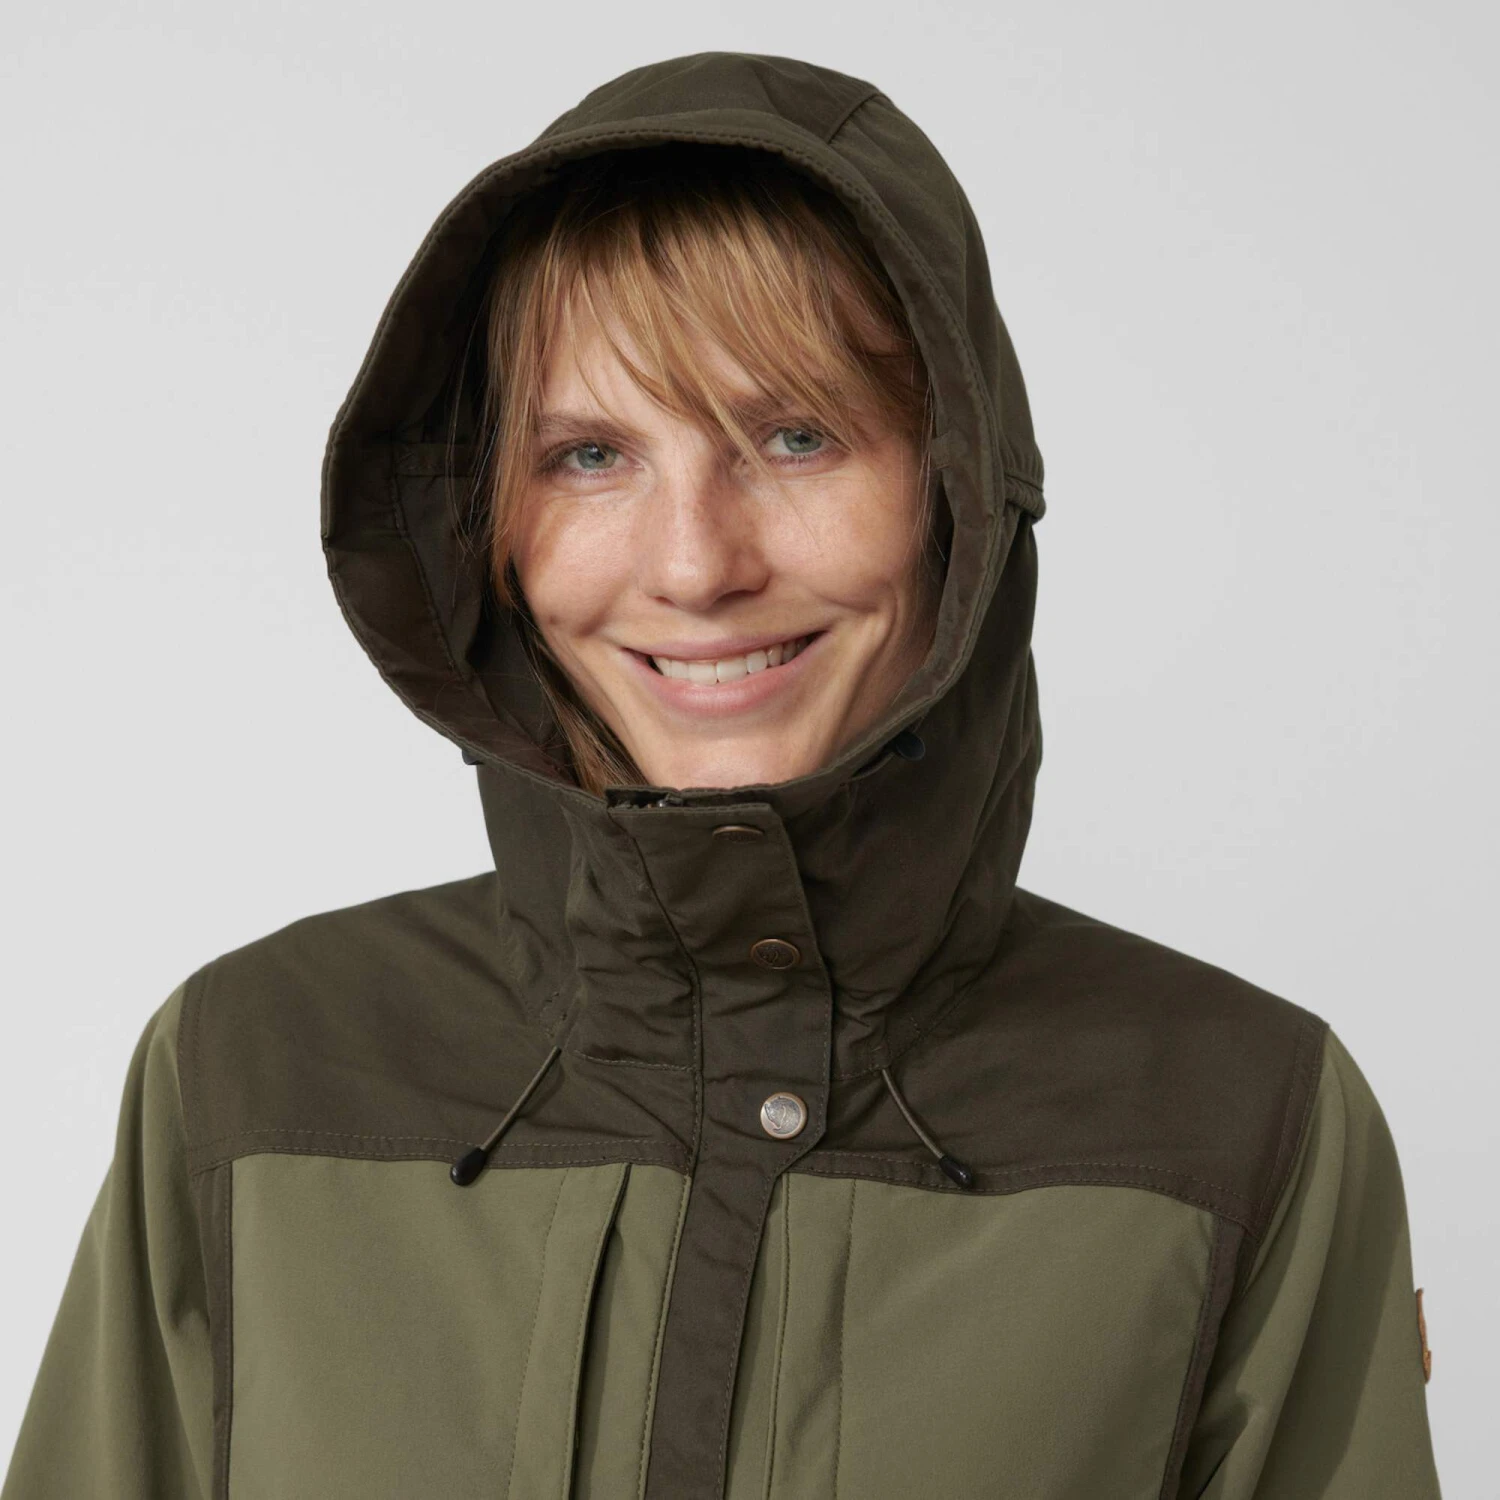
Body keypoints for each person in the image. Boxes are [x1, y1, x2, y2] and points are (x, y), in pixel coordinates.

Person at [2, 50, 1441, 1500]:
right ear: (487, 528)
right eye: (588, 455)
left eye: (796, 436)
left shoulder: (1240, 1121)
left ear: (956, 490)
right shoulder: (252, 1072)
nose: (696, 566)